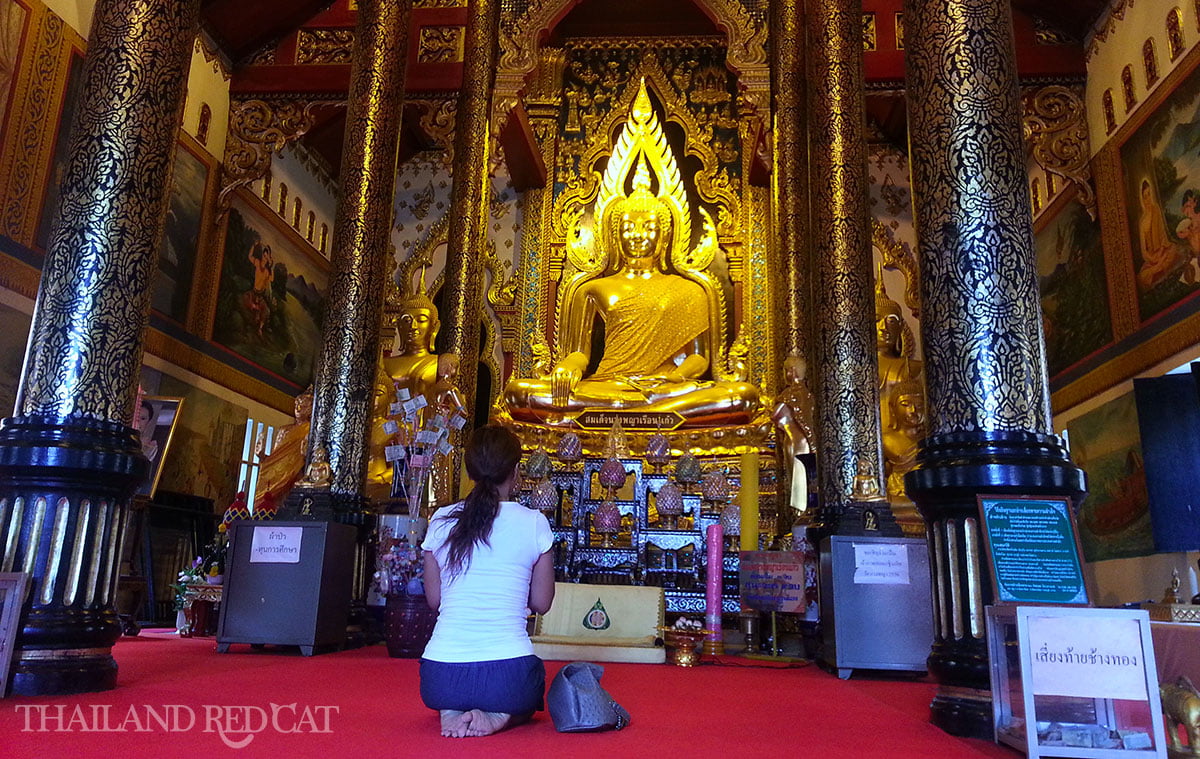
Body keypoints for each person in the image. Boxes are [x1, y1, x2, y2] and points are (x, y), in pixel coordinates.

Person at [419, 425, 555, 738]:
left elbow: (435, 600)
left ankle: (452, 708)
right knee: (533, 684)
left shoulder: (441, 519)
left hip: (439, 678)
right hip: (508, 679)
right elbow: (542, 603)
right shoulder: (533, 521)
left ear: (470, 470)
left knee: (453, 687)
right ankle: (501, 715)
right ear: (517, 471)